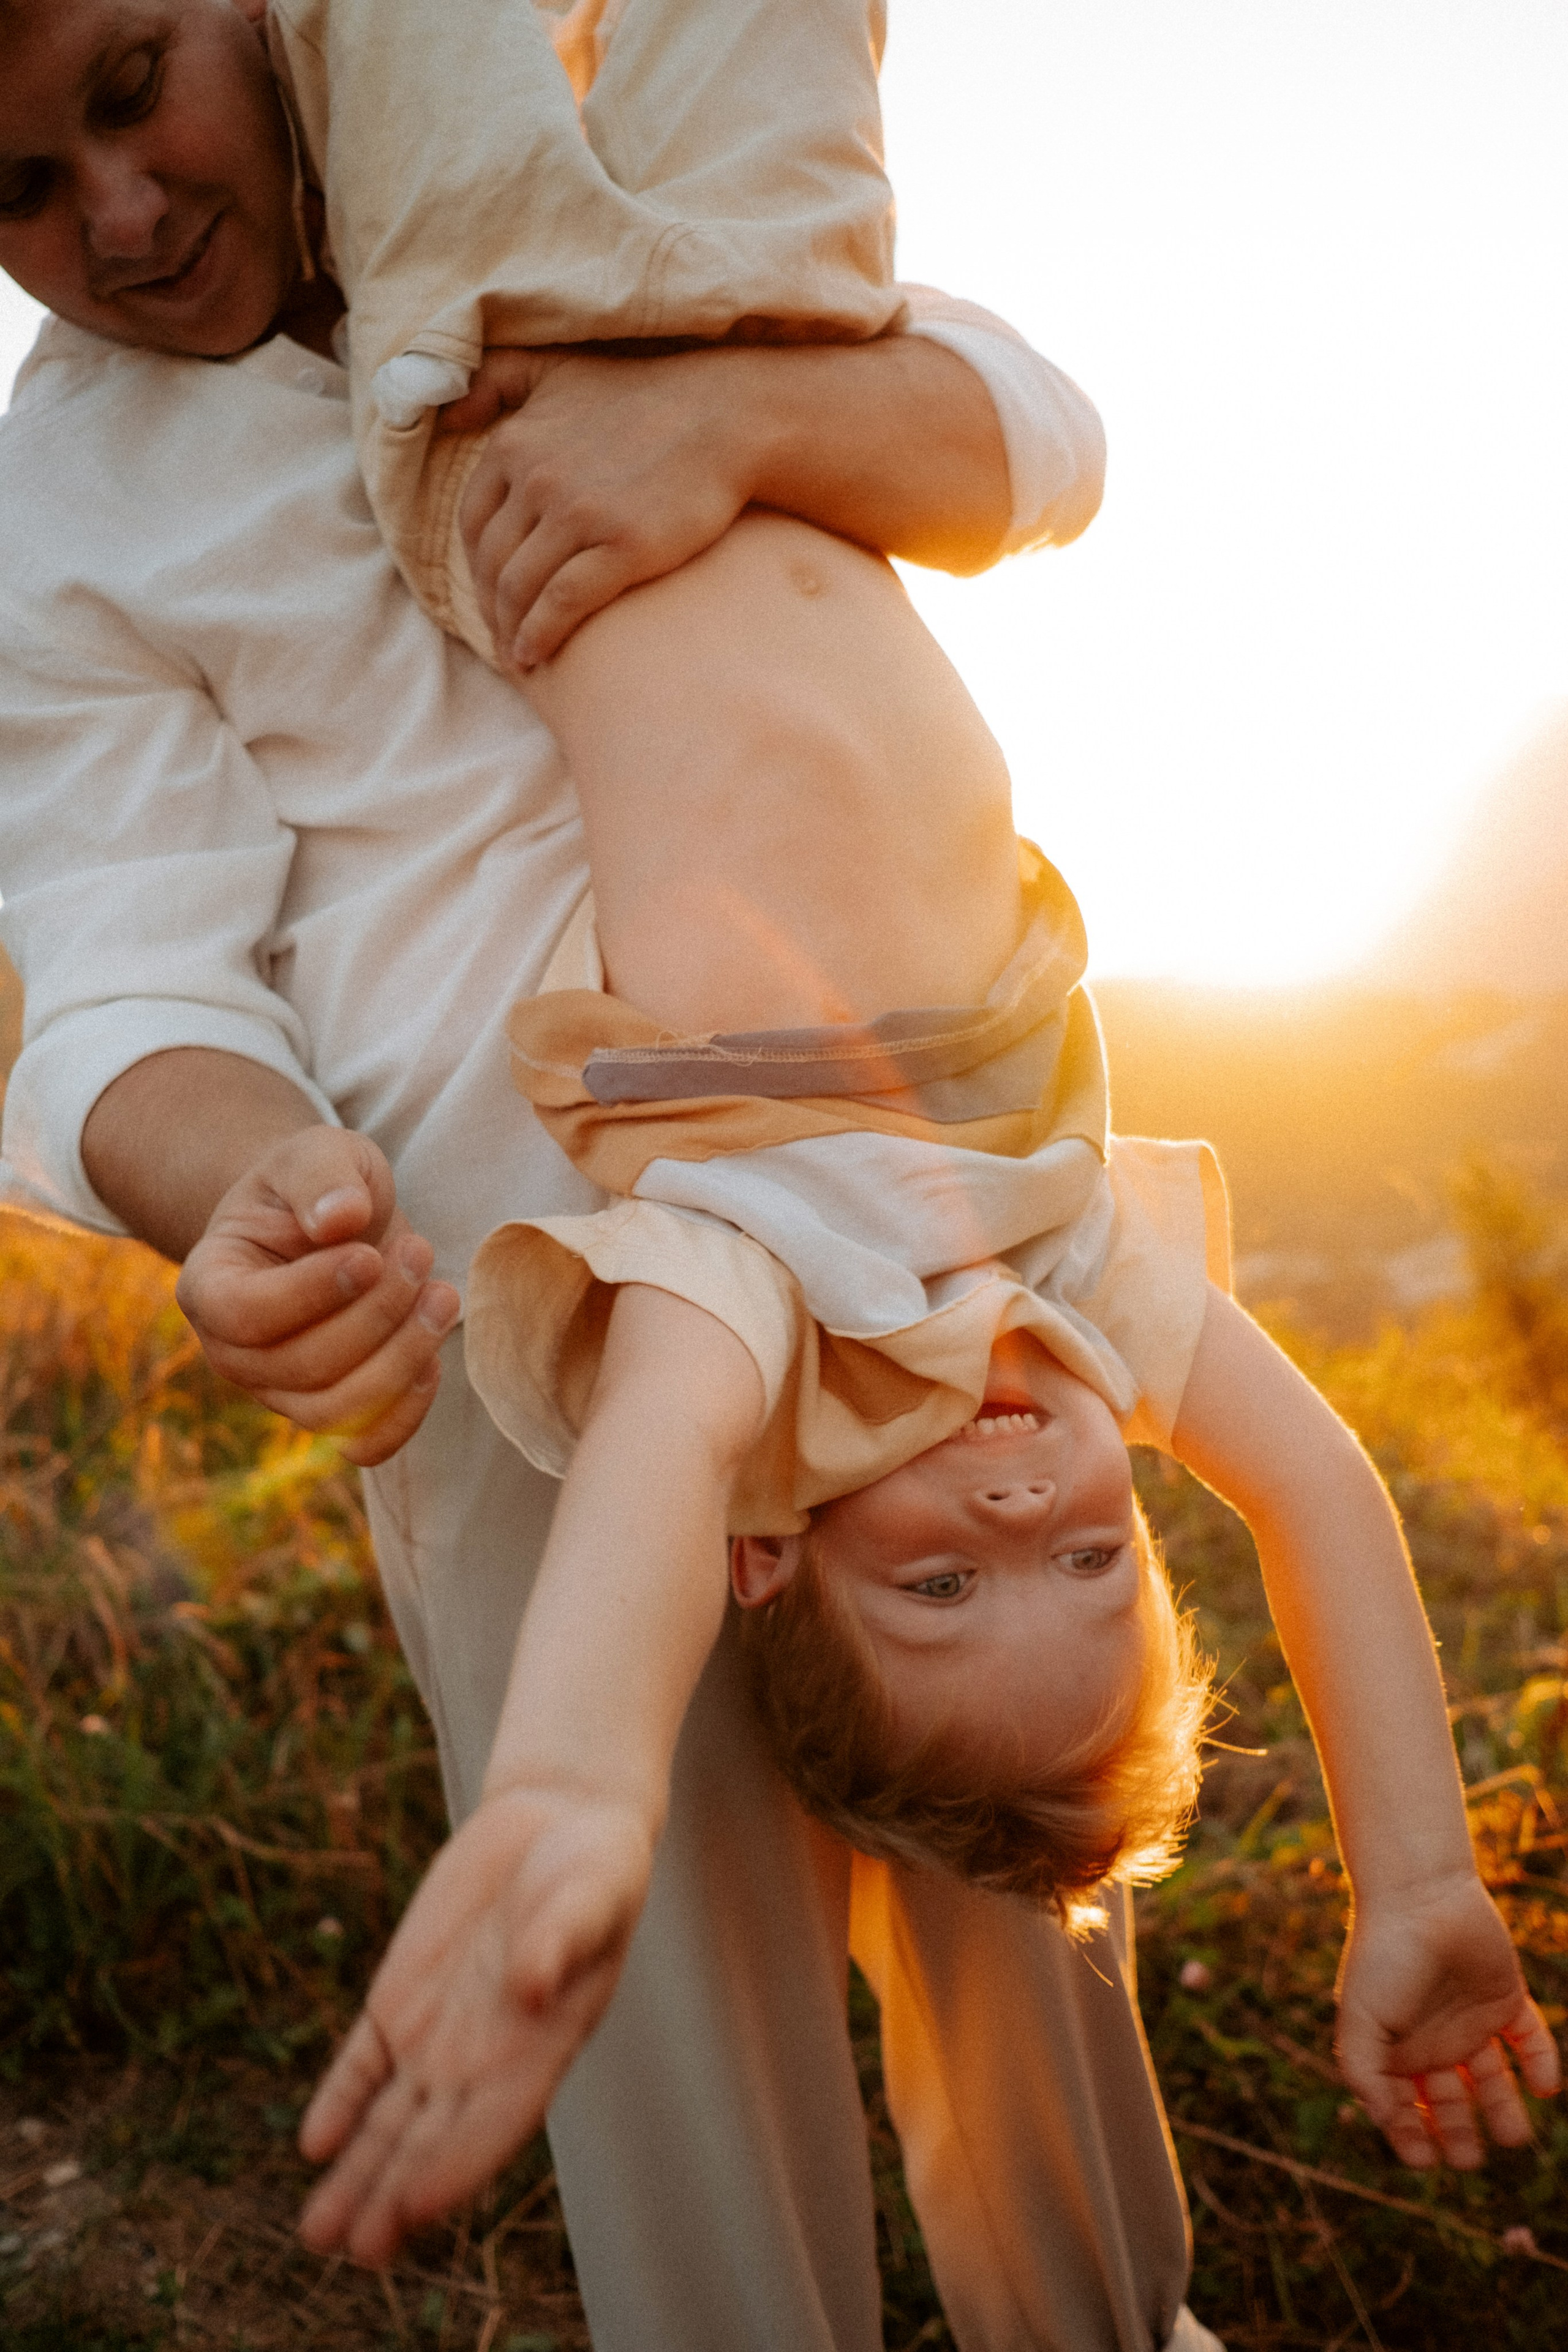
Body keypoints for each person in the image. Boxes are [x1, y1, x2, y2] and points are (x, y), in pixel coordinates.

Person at [0, 0, 1556, 2333]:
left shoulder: (608, 150)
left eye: (132, 88)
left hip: (891, 1173)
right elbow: (131, 982)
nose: (113, 216)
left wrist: (726, 423)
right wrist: (241, 1183)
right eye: (12, 190)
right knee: (664, 2016)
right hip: (503, 1293)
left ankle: (1107, 2328)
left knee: (1019, 1903)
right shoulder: (71, 512)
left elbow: (1027, 432)